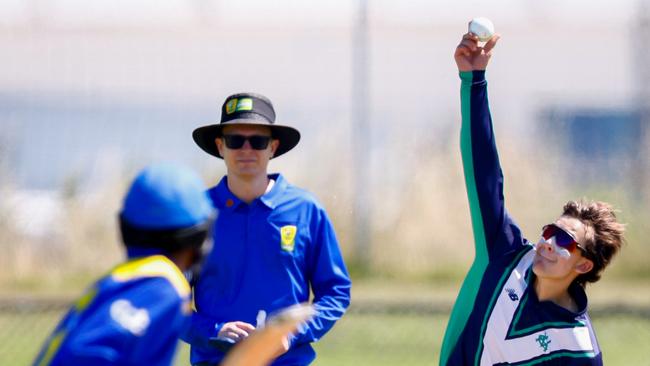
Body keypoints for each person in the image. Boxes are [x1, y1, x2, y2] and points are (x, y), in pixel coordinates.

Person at [439, 29, 626, 365]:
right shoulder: (505, 254)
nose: (549, 243)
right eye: (551, 232)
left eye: (565, 241)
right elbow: (483, 170)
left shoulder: (578, 348)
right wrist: (473, 79)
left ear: (583, 264)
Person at [184, 92, 351, 365]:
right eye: (235, 140)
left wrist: (290, 334)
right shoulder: (195, 213)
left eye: (258, 141)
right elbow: (168, 298)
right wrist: (213, 330)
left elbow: (335, 291)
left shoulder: (305, 210)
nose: (246, 149)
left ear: (273, 147)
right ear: (219, 146)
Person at [33, 162, 215, 366]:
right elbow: (84, 353)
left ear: (125, 227)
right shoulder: (161, 288)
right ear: (198, 238)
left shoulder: (124, 278)